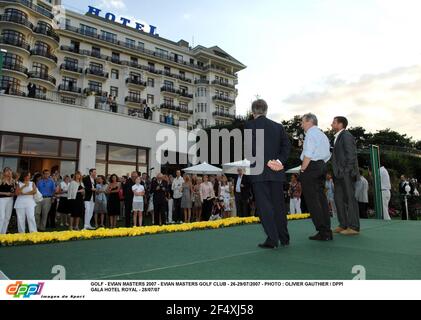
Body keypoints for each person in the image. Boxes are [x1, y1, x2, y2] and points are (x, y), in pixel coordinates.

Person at [277, 113, 331, 241]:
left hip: (311, 167)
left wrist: (303, 169)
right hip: (322, 165)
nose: (301, 125)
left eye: (302, 122)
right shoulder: (322, 134)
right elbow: (328, 154)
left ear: (309, 122)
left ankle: (322, 231)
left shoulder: (311, 134)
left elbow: (308, 153)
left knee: (313, 201)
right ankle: (326, 230)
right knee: (321, 199)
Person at [245, 99, 291, 249]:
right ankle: (284, 237)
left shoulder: (250, 125)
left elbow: (250, 149)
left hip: (259, 173)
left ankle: (272, 239)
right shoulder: (278, 127)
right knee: (279, 206)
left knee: (265, 207)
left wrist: (264, 162)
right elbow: (286, 146)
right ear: (266, 110)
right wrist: (278, 161)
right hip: (276, 171)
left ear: (253, 112)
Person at [331, 116, 360, 235]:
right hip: (338, 174)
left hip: (346, 173)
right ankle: (343, 224)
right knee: (338, 199)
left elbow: (351, 155)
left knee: (350, 199)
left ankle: (354, 227)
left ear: (340, 124)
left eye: (334, 122)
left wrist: (346, 171)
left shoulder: (346, 135)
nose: (331, 124)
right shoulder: (337, 137)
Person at [0, 167, 16, 234]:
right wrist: (6, 193)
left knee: (7, 217)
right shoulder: (1, 180)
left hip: (10, 200)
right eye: (7, 171)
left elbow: (14, 191)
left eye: (10, 171)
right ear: (4, 172)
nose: (9, 172)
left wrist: (13, 193)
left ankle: (3, 233)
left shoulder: (13, 181)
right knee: (2, 217)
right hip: (2, 199)